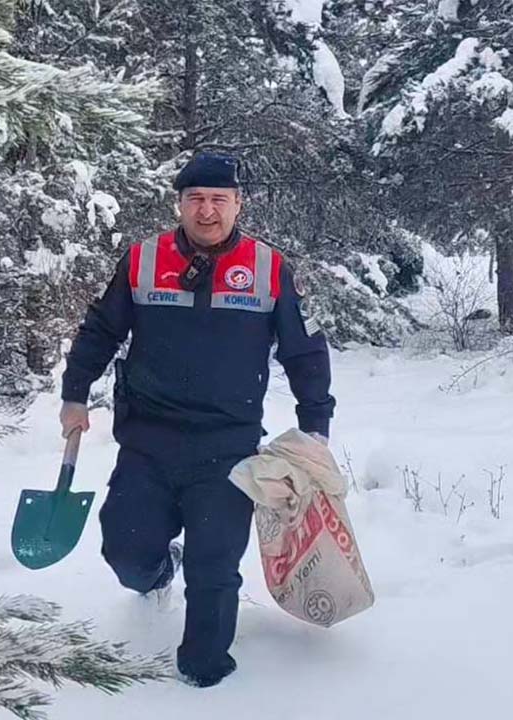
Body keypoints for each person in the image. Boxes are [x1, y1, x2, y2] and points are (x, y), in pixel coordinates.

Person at [58, 151, 335, 688]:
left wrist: (315, 426)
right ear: (180, 204)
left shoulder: (268, 268)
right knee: (126, 553)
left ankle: (205, 670)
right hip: (148, 440)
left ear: (238, 204)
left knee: (214, 566)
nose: (207, 211)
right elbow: (100, 331)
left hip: (227, 447)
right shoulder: (143, 261)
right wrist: (75, 393)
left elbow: (304, 351)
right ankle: (160, 571)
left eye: (218, 200)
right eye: (196, 200)